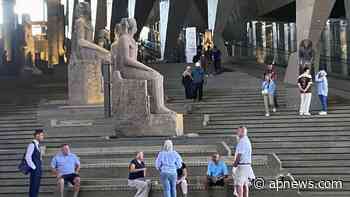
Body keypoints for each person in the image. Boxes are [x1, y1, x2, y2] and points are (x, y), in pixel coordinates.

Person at [232, 127, 255, 197]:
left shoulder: (242, 141)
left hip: (242, 165)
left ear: (242, 132)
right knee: (245, 184)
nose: (237, 133)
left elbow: (240, 154)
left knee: (239, 184)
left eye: (238, 131)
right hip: (247, 165)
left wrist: (235, 164)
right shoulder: (247, 140)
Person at [25, 129, 45, 197]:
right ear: (37, 136)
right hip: (35, 170)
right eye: (41, 135)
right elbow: (27, 157)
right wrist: (34, 167)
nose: (43, 137)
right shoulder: (32, 145)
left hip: (38, 170)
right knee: (33, 188)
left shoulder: (37, 145)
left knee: (36, 188)